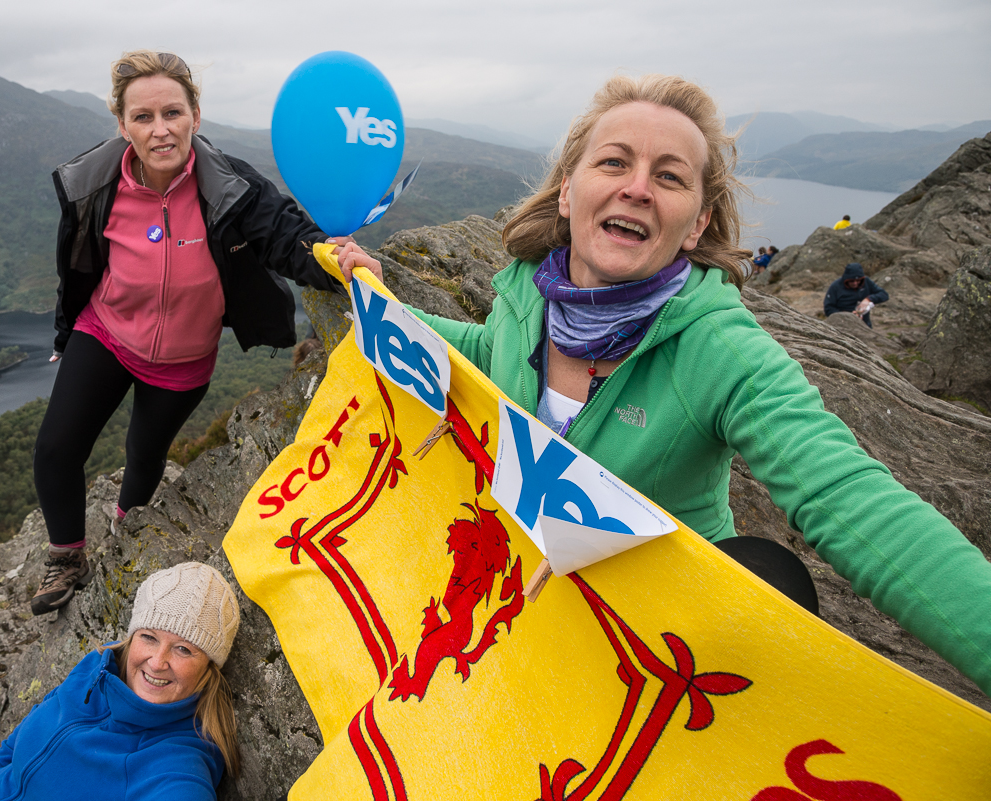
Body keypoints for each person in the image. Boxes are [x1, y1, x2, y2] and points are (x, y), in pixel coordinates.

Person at [359, 74, 991, 694]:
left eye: (669, 176)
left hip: (652, 643)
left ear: (696, 224)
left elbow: (849, 498)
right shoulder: (526, 290)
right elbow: (483, 350)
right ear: (565, 192)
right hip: (527, 592)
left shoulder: (721, 350)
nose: (637, 188)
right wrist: (377, 299)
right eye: (613, 163)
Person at [31, 50, 371, 615]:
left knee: (144, 455)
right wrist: (66, 328)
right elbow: (79, 261)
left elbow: (284, 236)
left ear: (195, 114)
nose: (160, 129)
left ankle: (126, 533)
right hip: (108, 332)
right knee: (55, 449)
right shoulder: (99, 184)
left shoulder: (229, 184)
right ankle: (67, 557)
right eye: (143, 117)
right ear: (122, 125)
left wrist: (337, 261)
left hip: (183, 359)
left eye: (172, 112)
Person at [0, 562, 241, 800]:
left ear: (208, 668)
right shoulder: (95, 669)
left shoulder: (177, 767)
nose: (157, 662)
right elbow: (18, 740)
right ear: (132, 638)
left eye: (183, 649)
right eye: (149, 637)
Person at [824, 261, 888, 327]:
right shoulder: (836, 286)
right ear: (846, 279)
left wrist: (868, 299)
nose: (855, 283)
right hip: (843, 325)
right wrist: (847, 315)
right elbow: (828, 309)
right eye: (852, 281)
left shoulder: (866, 282)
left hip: (864, 324)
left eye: (858, 281)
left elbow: (884, 295)